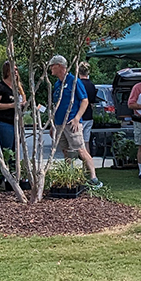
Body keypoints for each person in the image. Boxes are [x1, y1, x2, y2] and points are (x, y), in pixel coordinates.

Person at [49, 54, 103, 188]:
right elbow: (56, 105)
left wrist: (77, 118)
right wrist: (53, 124)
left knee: (81, 150)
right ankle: (70, 178)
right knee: (66, 151)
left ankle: (94, 178)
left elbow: (85, 100)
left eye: (52, 65)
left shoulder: (74, 81)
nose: (50, 68)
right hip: (59, 124)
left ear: (59, 66)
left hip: (71, 123)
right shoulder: (57, 84)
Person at [0, 60, 26, 160]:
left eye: (16, 70)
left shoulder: (18, 87)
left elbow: (23, 100)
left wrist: (24, 104)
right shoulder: (0, 87)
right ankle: (4, 174)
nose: (15, 72)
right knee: (7, 151)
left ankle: (15, 173)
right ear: (6, 71)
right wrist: (12, 105)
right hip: (5, 123)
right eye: (12, 70)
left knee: (16, 151)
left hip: (17, 122)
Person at [77, 62, 97, 147]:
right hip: (89, 116)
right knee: (86, 142)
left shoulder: (77, 84)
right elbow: (92, 100)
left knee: (76, 144)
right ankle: (88, 159)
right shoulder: (92, 85)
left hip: (79, 116)